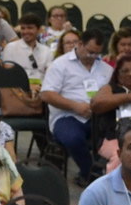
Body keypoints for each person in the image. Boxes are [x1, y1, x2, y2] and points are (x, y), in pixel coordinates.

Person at [41, 29, 112, 171]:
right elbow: (46, 94)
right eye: (90, 51)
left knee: (118, 136)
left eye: (96, 53)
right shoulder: (60, 64)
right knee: (73, 138)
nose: (92, 56)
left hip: (97, 117)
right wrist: (74, 106)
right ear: (80, 44)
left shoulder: (106, 68)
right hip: (67, 116)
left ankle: (108, 174)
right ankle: (91, 174)